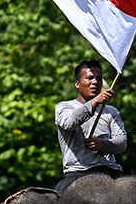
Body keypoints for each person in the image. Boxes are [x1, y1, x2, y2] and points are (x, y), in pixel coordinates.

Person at [54, 59, 127, 194]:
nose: (95, 82)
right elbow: (69, 123)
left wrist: (103, 144)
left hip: (110, 170)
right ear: (77, 84)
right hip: (77, 172)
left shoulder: (111, 111)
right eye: (90, 78)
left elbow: (122, 142)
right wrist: (94, 102)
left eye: (98, 79)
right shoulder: (64, 107)